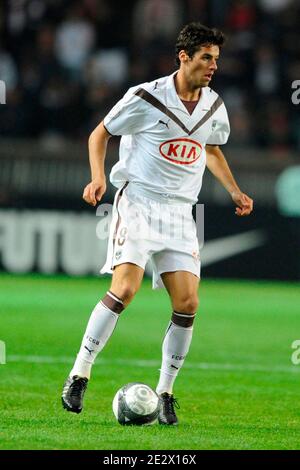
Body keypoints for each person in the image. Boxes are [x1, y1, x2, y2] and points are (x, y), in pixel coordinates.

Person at [62, 22, 253, 425]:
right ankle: (80, 373)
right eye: (206, 58)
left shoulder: (214, 106)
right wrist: (98, 177)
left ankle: (165, 392)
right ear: (184, 56)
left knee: (187, 304)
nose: (213, 66)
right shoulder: (146, 97)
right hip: (139, 204)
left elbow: (211, 149)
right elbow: (100, 134)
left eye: (216, 59)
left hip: (181, 212)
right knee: (125, 289)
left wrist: (234, 191)